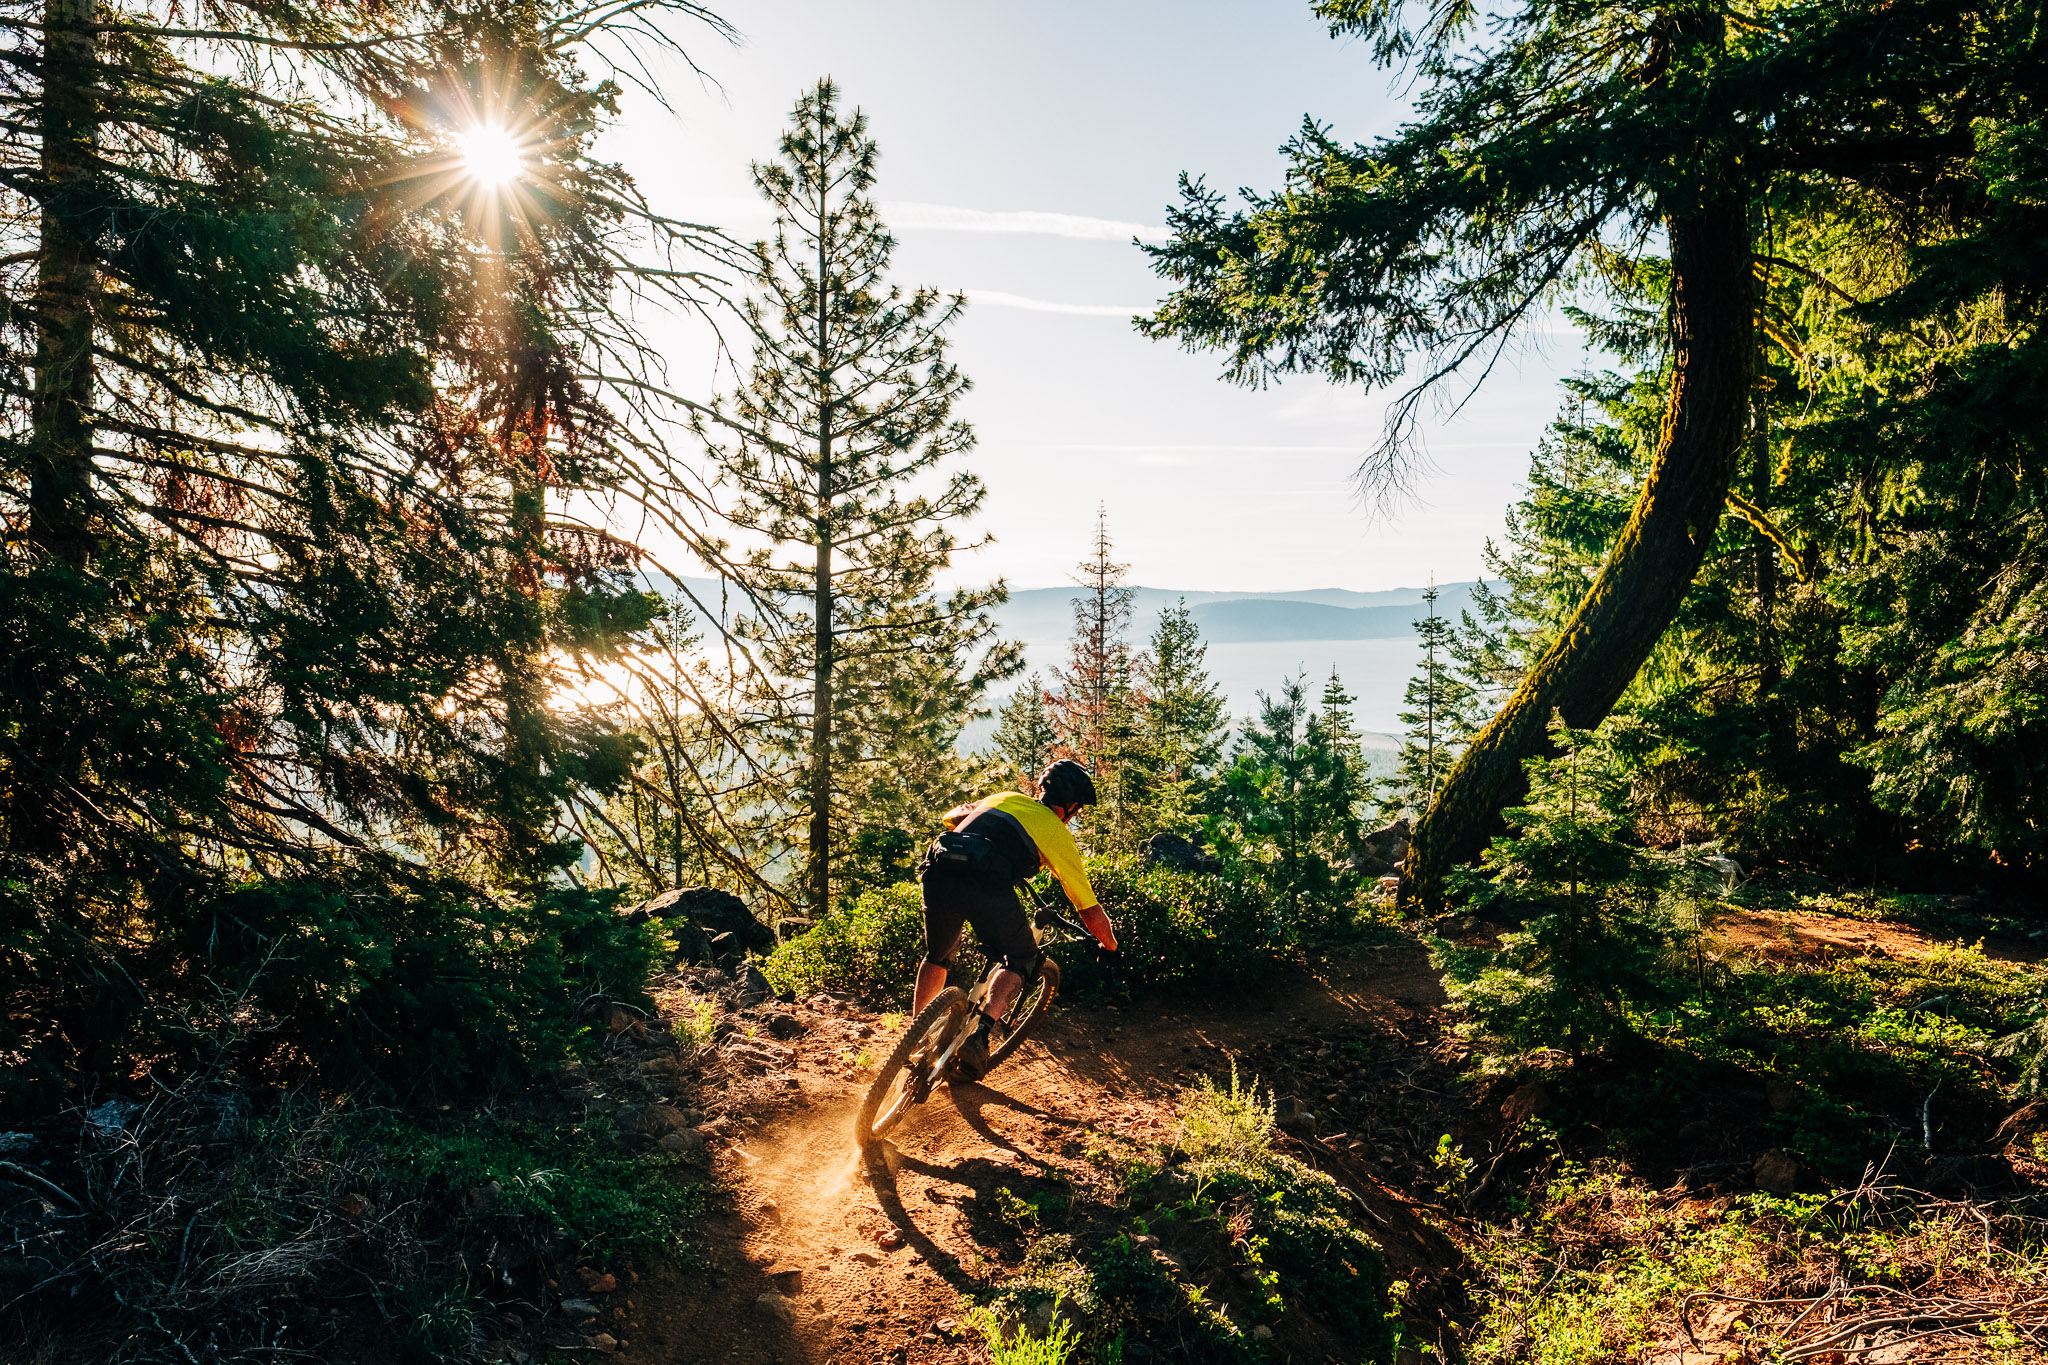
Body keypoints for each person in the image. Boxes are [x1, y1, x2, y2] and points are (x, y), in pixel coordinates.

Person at [913, 759, 1119, 1081]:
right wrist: (1110, 947)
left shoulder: (1004, 797)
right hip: (987, 886)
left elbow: (951, 818)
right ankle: (979, 1038)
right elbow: (1089, 910)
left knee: (937, 957)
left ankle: (916, 1039)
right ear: (1072, 806)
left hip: (938, 874)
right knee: (1022, 957)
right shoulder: (1057, 832)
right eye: (1078, 809)